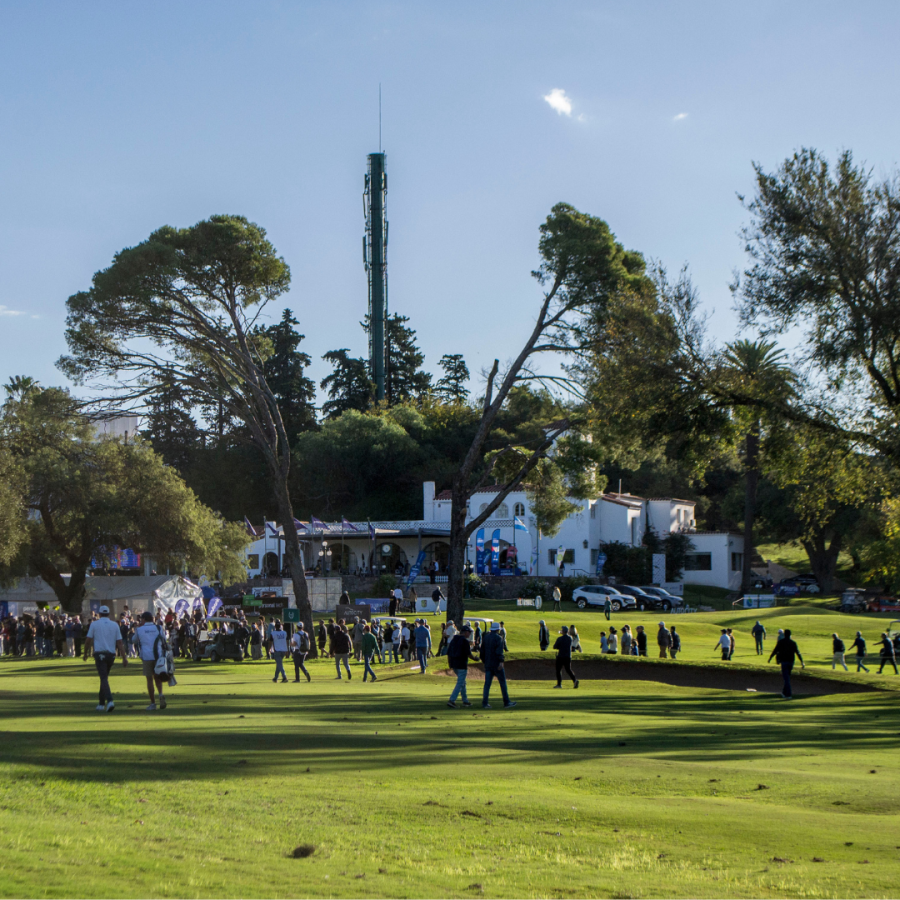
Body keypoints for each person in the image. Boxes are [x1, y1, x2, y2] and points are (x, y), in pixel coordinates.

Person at [83, 605, 127, 711]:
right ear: (108, 613)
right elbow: (120, 642)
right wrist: (124, 657)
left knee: (103, 678)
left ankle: (110, 701)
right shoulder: (115, 625)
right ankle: (101, 704)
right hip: (111, 655)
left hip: (100, 654)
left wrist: (85, 653)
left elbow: (88, 640)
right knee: (104, 678)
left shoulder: (94, 624)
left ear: (99, 613)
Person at [135, 611, 169, 711]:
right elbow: (164, 639)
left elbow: (134, 640)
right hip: (158, 656)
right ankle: (161, 694)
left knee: (149, 679)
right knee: (158, 677)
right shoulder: (158, 628)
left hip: (146, 656)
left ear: (144, 619)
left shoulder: (140, 629)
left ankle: (153, 703)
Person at [480, 622, 515, 709]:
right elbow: (499, 652)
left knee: (487, 684)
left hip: (488, 664)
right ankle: (506, 702)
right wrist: (501, 662)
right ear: (498, 629)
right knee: (502, 683)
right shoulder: (499, 638)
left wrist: (485, 661)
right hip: (496, 664)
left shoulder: (486, 637)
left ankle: (485, 703)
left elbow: (482, 652)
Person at [447, 624, 478, 707]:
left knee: (462, 683)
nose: (469, 634)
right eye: (469, 632)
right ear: (465, 632)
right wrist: (475, 659)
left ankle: (465, 700)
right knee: (460, 683)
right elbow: (468, 654)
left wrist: (450, 663)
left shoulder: (454, 640)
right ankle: (452, 700)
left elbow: (449, 653)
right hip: (461, 664)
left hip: (454, 664)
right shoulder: (464, 641)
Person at [768, 628, 804, 699]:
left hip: (784, 662)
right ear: (790, 635)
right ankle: (784, 692)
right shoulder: (793, 643)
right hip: (791, 662)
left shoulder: (781, 642)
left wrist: (770, 658)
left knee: (786, 678)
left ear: (784, 634)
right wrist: (802, 662)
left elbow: (775, 650)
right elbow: (798, 653)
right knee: (787, 678)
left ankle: (788, 694)